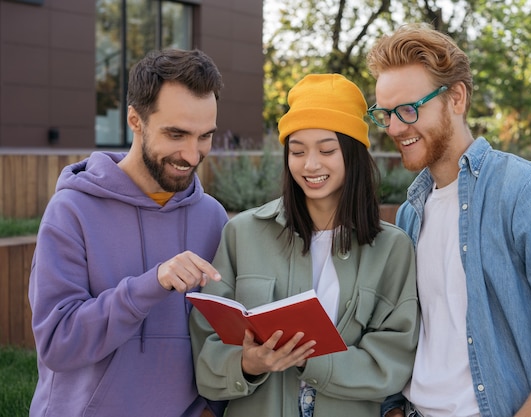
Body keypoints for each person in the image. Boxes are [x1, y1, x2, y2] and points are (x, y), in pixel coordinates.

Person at [366, 23, 531, 417]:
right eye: (385, 114)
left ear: (456, 98)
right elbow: (417, 336)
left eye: (409, 109)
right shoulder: (411, 212)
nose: (394, 128)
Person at [189, 73, 419, 417]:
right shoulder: (242, 234)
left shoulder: (392, 248)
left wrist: (312, 362)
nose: (310, 165)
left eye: (327, 150)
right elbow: (205, 351)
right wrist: (247, 363)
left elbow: (394, 359)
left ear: (353, 155)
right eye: (297, 151)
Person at [28, 49, 229, 417]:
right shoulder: (72, 210)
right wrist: (150, 285)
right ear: (135, 120)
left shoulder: (213, 218)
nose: (192, 154)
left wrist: (211, 408)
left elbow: (220, 336)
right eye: (176, 134)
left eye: (205, 137)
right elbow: (58, 343)